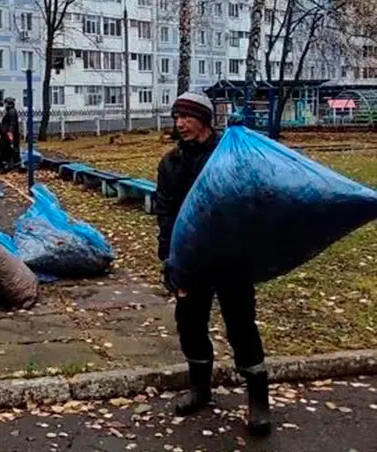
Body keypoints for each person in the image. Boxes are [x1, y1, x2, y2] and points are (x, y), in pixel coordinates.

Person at [155, 91, 271, 437]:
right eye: (176, 118)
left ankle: (258, 402)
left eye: (186, 117)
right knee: (190, 323)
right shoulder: (170, 164)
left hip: (231, 258)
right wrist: (168, 259)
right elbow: (166, 213)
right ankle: (200, 390)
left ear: (204, 120)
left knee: (240, 325)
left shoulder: (230, 157)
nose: (179, 124)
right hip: (191, 259)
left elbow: (254, 200)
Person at [0, 97, 21, 171]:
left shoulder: (11, 111)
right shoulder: (10, 111)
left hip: (9, 135)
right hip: (7, 134)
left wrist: (10, 133)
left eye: (5, 103)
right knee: (8, 149)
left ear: (8, 104)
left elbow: (12, 123)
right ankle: (11, 165)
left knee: (8, 150)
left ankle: (11, 166)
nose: (4, 105)